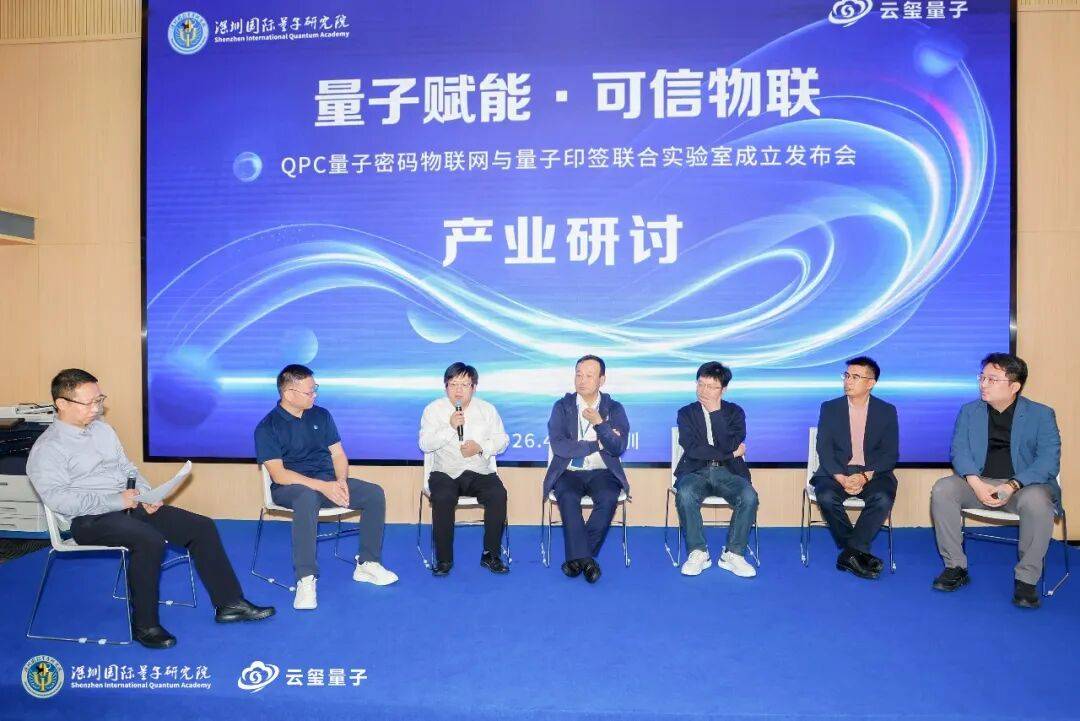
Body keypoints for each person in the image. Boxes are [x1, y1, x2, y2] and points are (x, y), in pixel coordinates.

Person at [27, 369, 274, 649]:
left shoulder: (103, 430)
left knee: (201, 527)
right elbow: (60, 500)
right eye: (89, 403)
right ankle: (145, 625)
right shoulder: (48, 449)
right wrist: (116, 501)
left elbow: (128, 469)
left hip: (128, 506)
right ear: (61, 403)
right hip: (87, 520)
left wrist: (146, 494)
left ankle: (229, 603)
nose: (96, 408)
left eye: (100, 400)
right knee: (149, 539)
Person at [254, 364, 397, 611]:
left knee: (374, 493)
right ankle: (306, 578)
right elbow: (279, 474)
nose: (315, 395)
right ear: (288, 394)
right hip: (290, 487)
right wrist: (323, 486)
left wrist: (340, 481)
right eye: (309, 391)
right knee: (307, 498)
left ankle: (367, 564)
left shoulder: (321, 415)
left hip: (328, 482)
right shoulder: (267, 427)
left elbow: (338, 454)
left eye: (315, 389)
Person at [930, 353, 1061, 609]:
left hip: (1023, 487)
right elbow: (959, 451)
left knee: (1038, 501)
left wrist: (1012, 485)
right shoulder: (970, 411)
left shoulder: (1041, 414)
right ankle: (955, 566)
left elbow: (1048, 462)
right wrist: (977, 484)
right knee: (943, 488)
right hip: (978, 483)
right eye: (982, 377)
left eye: (992, 379)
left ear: (1014, 386)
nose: (983, 384)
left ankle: (1026, 579)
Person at [543, 355, 630, 583]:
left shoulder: (614, 409)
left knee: (609, 496)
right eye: (578, 375)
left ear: (602, 380)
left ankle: (578, 559)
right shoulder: (562, 407)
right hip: (569, 470)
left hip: (603, 471)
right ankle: (587, 560)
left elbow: (618, 446)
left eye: (589, 376)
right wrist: (595, 445)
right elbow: (560, 446)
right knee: (567, 496)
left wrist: (601, 424)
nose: (582, 380)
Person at [418, 362, 510, 576]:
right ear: (445, 386)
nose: (458, 390)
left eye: (464, 384)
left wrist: (481, 447)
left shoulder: (487, 409)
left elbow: (502, 440)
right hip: (445, 471)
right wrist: (449, 427)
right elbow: (424, 444)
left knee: (498, 494)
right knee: (442, 497)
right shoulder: (433, 410)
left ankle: (491, 554)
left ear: (474, 387)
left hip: (479, 471)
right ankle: (444, 559)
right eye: (453, 384)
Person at [811, 356, 898, 580]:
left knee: (882, 498)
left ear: (871, 383)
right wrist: (840, 477)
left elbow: (890, 454)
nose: (848, 381)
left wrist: (865, 477)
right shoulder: (830, 408)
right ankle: (858, 552)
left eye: (855, 377)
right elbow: (824, 449)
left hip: (872, 472)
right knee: (826, 496)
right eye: (847, 376)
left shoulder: (886, 411)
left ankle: (849, 554)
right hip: (837, 471)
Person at [674, 361, 758, 578]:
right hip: (695, 471)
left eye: (711, 387)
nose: (704, 391)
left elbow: (730, 442)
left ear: (724, 389)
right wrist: (731, 454)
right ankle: (698, 552)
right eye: (700, 384)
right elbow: (693, 450)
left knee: (748, 496)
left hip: (729, 472)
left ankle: (733, 554)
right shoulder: (686, 413)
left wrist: (714, 412)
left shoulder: (735, 412)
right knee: (685, 493)